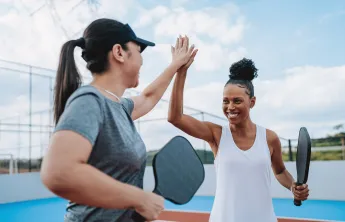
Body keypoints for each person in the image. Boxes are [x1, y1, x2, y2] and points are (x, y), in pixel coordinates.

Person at [40, 18, 197, 222]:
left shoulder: (119, 106)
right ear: (119, 52)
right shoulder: (89, 101)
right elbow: (59, 172)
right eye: (139, 52)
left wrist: (176, 66)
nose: (142, 61)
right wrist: (138, 198)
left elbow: (149, 97)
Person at [167, 57, 310, 222]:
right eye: (225, 101)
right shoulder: (216, 134)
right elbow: (175, 118)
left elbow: (280, 171)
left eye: (237, 101)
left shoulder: (269, 138)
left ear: (252, 102)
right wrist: (181, 72)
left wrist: (293, 186)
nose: (230, 107)